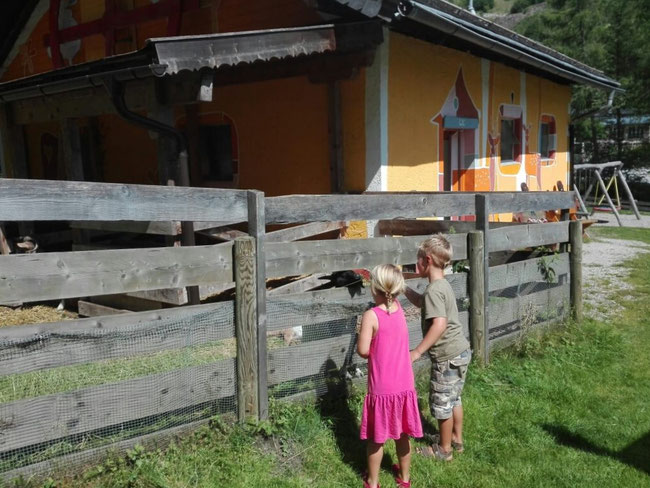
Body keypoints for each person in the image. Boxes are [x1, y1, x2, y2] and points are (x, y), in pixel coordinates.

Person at [404, 234, 472, 461]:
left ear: (428, 260)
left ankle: (444, 450)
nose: (416, 264)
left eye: (419, 260)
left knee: (442, 404)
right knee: (454, 399)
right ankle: (456, 439)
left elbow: (439, 324)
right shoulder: (441, 285)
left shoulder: (434, 290)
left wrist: (417, 351)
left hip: (447, 357)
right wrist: (403, 288)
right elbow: (422, 302)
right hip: (460, 352)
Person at [358, 264, 423, 488]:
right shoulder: (399, 308)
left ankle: (373, 482)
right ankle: (404, 479)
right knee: (402, 434)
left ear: (373, 288)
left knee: (377, 439)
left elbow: (363, 350)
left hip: (382, 388)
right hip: (404, 384)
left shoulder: (371, 316)